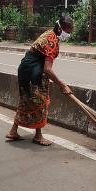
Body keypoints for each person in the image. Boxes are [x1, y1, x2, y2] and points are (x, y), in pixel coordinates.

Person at [6, 14, 73, 146]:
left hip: (25, 70)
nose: (68, 34)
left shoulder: (49, 33)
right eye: (67, 31)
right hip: (33, 75)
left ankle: (13, 131)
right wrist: (61, 84)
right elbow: (47, 69)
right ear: (60, 29)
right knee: (41, 102)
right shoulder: (52, 41)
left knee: (25, 100)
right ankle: (38, 136)